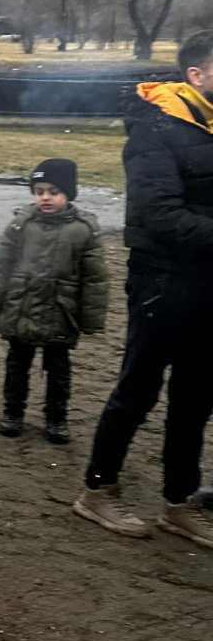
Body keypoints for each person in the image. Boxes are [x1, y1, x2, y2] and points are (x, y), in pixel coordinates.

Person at [75, 31, 213, 548]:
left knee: (196, 398)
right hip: (164, 280)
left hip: (210, 284)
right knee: (137, 391)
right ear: (195, 75)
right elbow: (158, 214)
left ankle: (179, 502)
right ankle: (97, 490)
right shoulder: (155, 128)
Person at [0, 159, 107, 443]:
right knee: (17, 365)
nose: (45, 197)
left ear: (68, 194)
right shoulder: (21, 225)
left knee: (58, 369)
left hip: (60, 311)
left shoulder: (84, 230)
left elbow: (95, 279)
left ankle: (56, 418)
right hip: (20, 307)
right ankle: (13, 413)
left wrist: (92, 319)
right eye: (39, 191)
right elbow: (1, 266)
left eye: (53, 191)